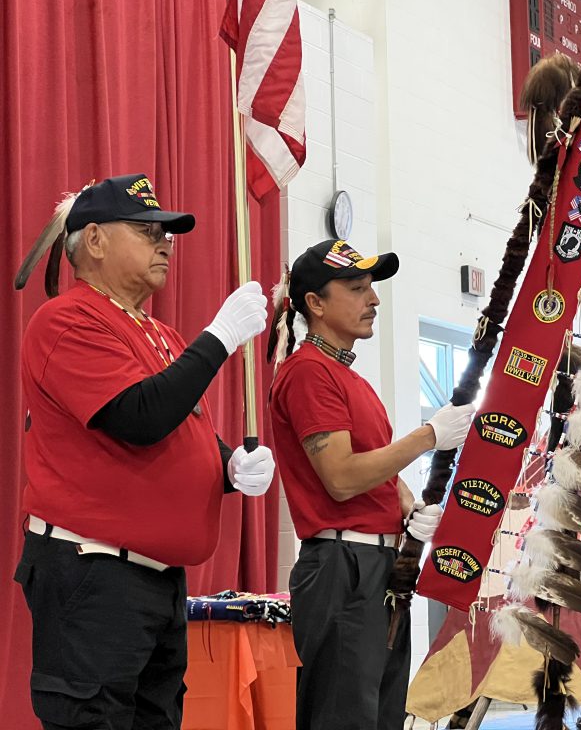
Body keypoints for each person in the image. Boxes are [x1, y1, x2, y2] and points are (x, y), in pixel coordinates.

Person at [14, 174, 275, 730]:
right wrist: (220, 338)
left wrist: (228, 464)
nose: (165, 242)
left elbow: (184, 430)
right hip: (94, 571)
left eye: (168, 235)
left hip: (156, 578)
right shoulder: (67, 320)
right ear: (96, 241)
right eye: (146, 230)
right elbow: (140, 417)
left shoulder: (160, 334)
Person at [268, 239, 475, 730]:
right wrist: (428, 436)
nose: (374, 300)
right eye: (358, 288)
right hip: (344, 565)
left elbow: (367, 467)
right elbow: (339, 478)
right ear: (315, 304)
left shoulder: (350, 380)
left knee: (381, 715)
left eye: (372, 288)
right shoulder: (308, 374)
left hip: (376, 564)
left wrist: (404, 504)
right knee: (345, 716)